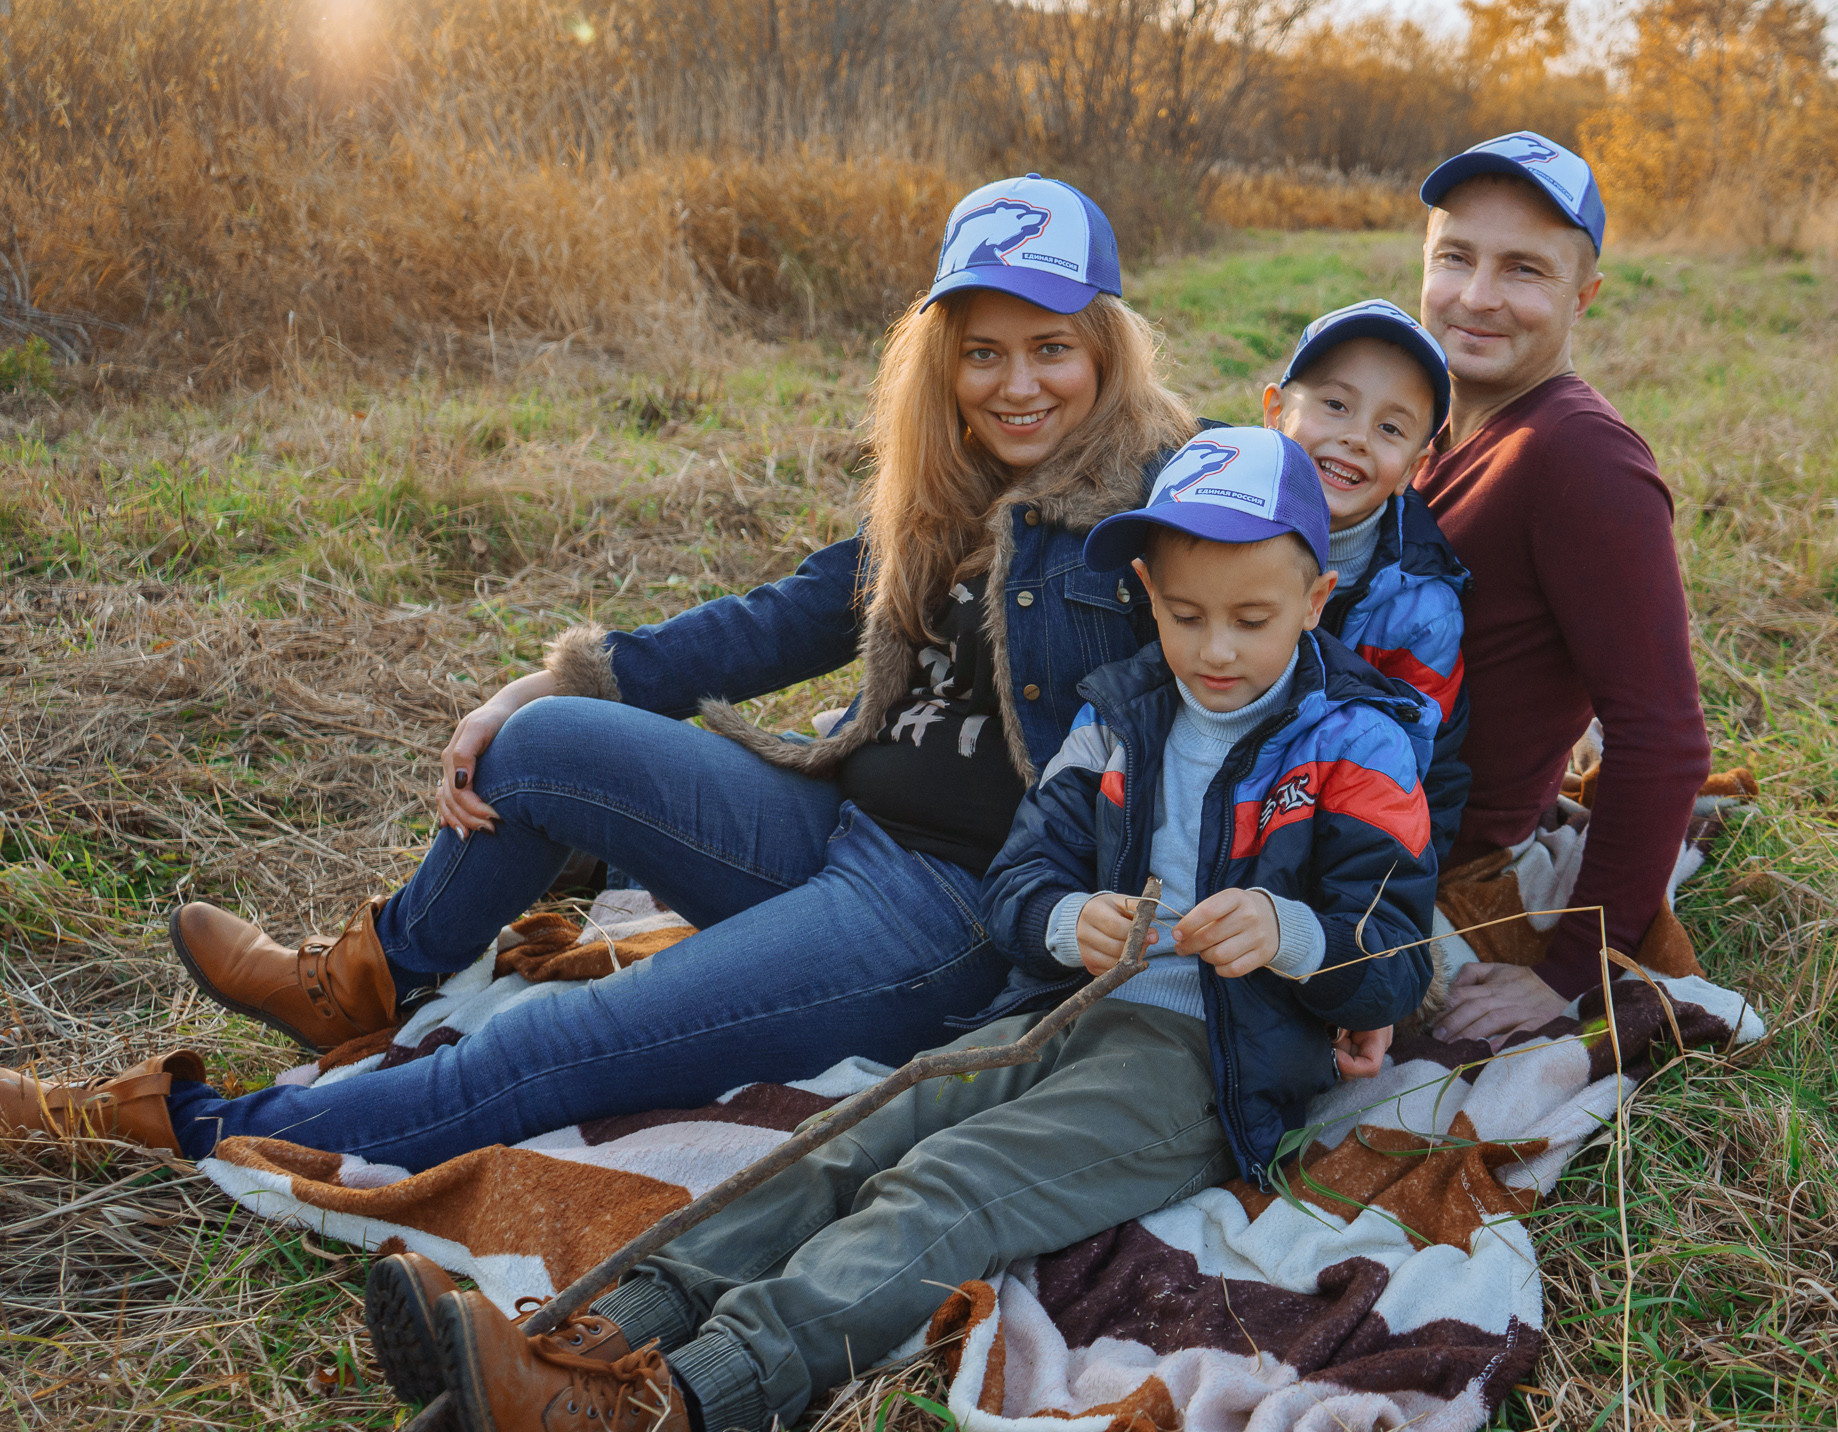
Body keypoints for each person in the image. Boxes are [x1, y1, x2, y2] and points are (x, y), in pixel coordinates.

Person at [0, 173, 1200, 1168]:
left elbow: (1298, 651)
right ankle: (362, 984)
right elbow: (770, 621)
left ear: (1104, 344)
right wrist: (535, 685)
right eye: (984, 353)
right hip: (834, 820)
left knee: (552, 1043)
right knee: (538, 749)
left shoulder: (1173, 499)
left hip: (950, 914)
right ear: (945, 362)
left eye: (1051, 347)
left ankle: (160, 1124)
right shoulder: (945, 487)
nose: (1018, 383)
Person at [366, 426, 1440, 1432]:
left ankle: (678, 1398)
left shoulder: (1360, 743)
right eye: (1186, 613)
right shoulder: (1121, 712)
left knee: (954, 1181)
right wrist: (1071, 921)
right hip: (1061, 1009)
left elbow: (1392, 954)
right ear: (1148, 591)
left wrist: (1290, 932)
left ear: (1316, 597)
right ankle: (607, 1329)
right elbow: (1022, 879)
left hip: (1206, 1058)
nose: (1214, 649)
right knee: (861, 1132)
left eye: (1252, 619)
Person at [1408, 132, 1713, 1046]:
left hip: (1424, 876)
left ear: (1584, 297)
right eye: (1455, 257)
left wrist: (1578, 967)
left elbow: (1663, 733)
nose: (1478, 297)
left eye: (1524, 271)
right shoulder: (1425, 420)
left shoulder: (1581, 459)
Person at [1261, 299, 1471, 862]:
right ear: (1274, 411)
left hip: (1334, 832)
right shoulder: (1211, 530)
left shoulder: (1422, 610)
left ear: (1412, 468)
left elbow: (1429, 765)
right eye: (1335, 405)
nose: (1356, 437)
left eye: (1389, 428)